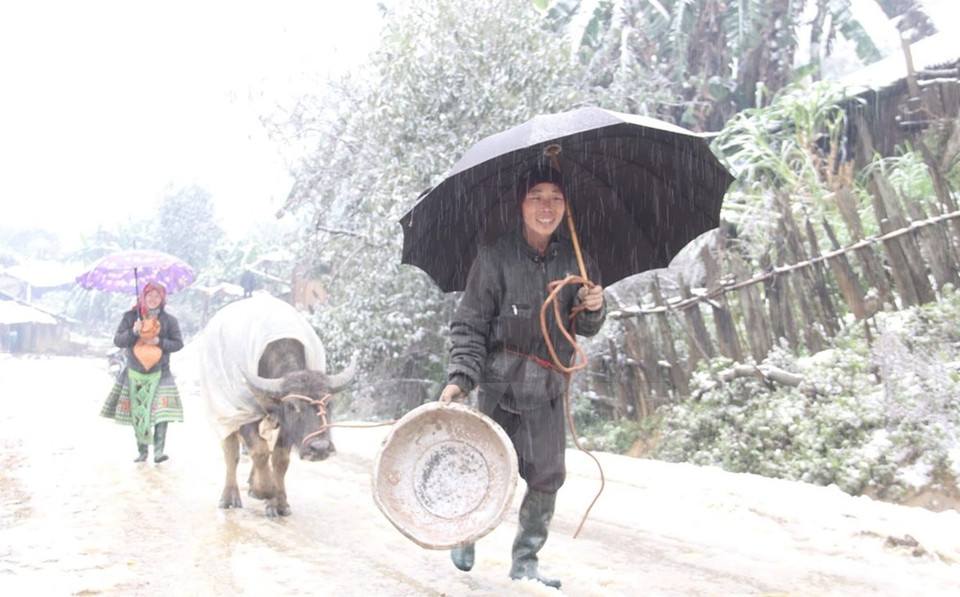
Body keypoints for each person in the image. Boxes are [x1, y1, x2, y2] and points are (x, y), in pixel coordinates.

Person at [439, 164, 606, 588]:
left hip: (550, 387)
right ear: (521, 204)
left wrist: (593, 306)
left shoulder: (578, 258)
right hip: (499, 384)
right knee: (486, 466)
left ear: (566, 206)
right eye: (537, 196)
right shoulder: (494, 258)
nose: (546, 206)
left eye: (555, 197)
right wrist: (461, 378)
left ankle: (526, 562)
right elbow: (470, 325)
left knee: (548, 474)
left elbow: (583, 328)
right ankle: (467, 531)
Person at [101, 281, 185, 463]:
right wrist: (133, 331)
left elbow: (178, 343)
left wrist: (159, 342)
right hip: (135, 371)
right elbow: (119, 341)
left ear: (162, 299)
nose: (153, 299)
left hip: (161, 371)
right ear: (143, 296)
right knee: (139, 412)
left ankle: (159, 451)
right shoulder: (131, 317)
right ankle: (143, 451)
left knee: (163, 411)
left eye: (157, 296)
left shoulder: (169, 321)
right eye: (150, 295)